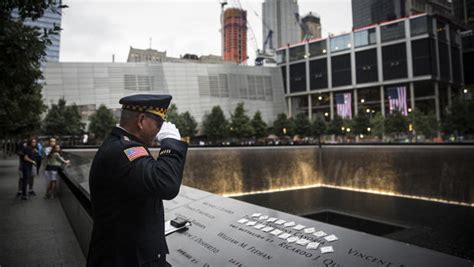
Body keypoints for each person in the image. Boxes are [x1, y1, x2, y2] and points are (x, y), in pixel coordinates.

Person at [87, 94, 188, 267]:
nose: (159, 131)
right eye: (159, 124)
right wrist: (170, 141)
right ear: (141, 120)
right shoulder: (125, 150)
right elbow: (166, 184)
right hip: (127, 259)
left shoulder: (118, 144)